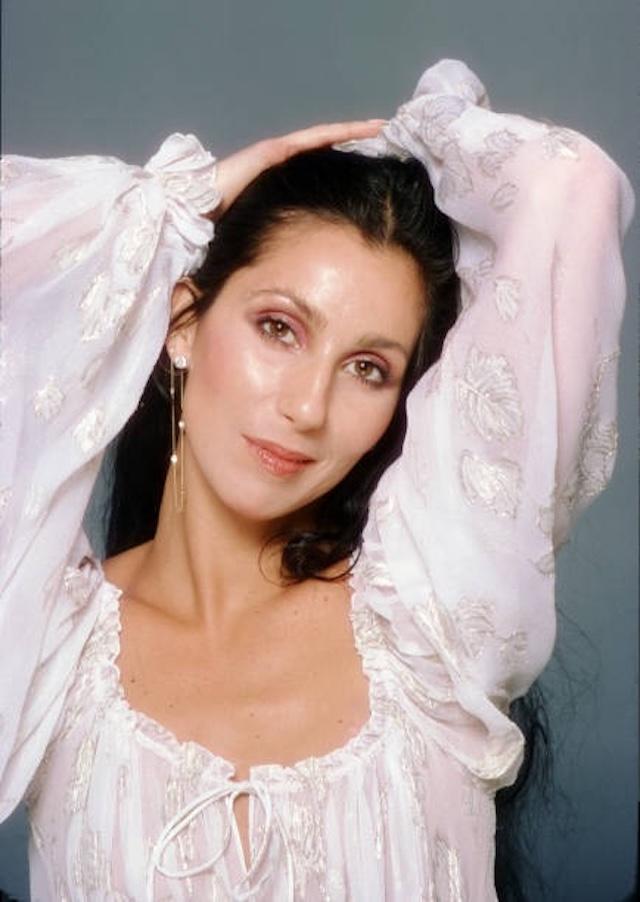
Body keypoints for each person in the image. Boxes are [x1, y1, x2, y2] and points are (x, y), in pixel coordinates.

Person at [0, 59, 634, 901]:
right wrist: (166, 211)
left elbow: (570, 184)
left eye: (368, 369)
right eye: (279, 328)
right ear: (183, 323)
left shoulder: (430, 618)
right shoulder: (44, 637)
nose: (306, 407)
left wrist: (424, 134)